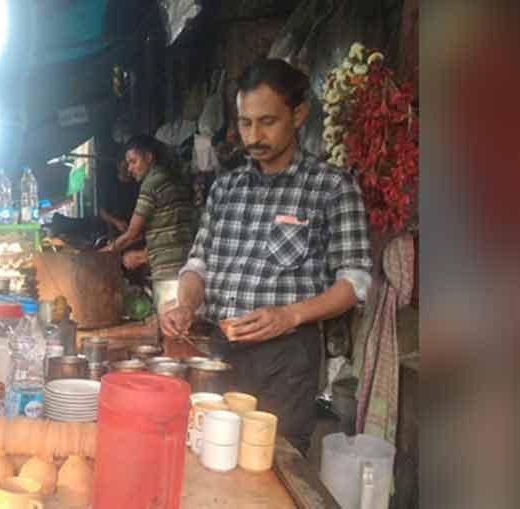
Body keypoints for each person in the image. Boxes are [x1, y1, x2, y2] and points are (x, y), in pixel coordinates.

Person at [160, 59, 373, 455]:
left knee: (273, 462)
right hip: (222, 352)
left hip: (287, 359)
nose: (253, 136)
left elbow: (355, 283)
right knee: (213, 454)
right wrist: (186, 304)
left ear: (298, 115)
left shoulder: (331, 187)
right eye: (245, 123)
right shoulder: (226, 188)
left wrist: (288, 315)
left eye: (267, 122)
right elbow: (198, 264)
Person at [103, 135, 194, 284]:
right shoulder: (172, 178)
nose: (130, 168)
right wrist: (143, 255)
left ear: (149, 157)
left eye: (133, 162)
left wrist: (105, 252)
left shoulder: (152, 183)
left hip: (168, 269)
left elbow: (133, 233)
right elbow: (161, 227)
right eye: (128, 163)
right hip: (185, 263)